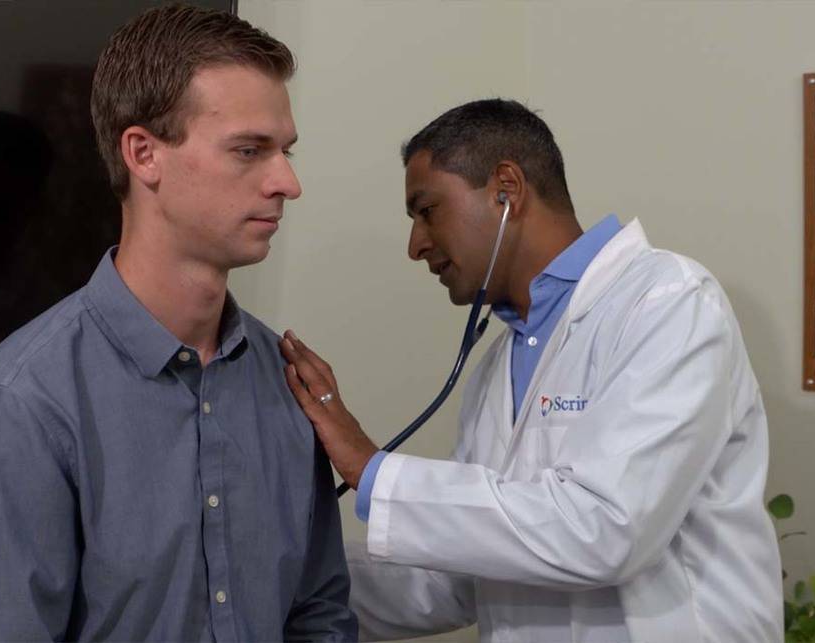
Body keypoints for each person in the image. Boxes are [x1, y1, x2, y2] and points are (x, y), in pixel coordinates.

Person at [279, 98, 783, 642]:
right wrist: (287, 579)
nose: (416, 245)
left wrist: (370, 468)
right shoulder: (497, 366)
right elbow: (462, 577)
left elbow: (606, 531)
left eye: (427, 211)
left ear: (507, 189)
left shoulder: (667, 303)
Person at [0, 5, 356, 641]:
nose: (287, 182)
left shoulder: (289, 382)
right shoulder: (25, 402)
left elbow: (320, 615)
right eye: (249, 150)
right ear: (144, 154)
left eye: (285, 151)